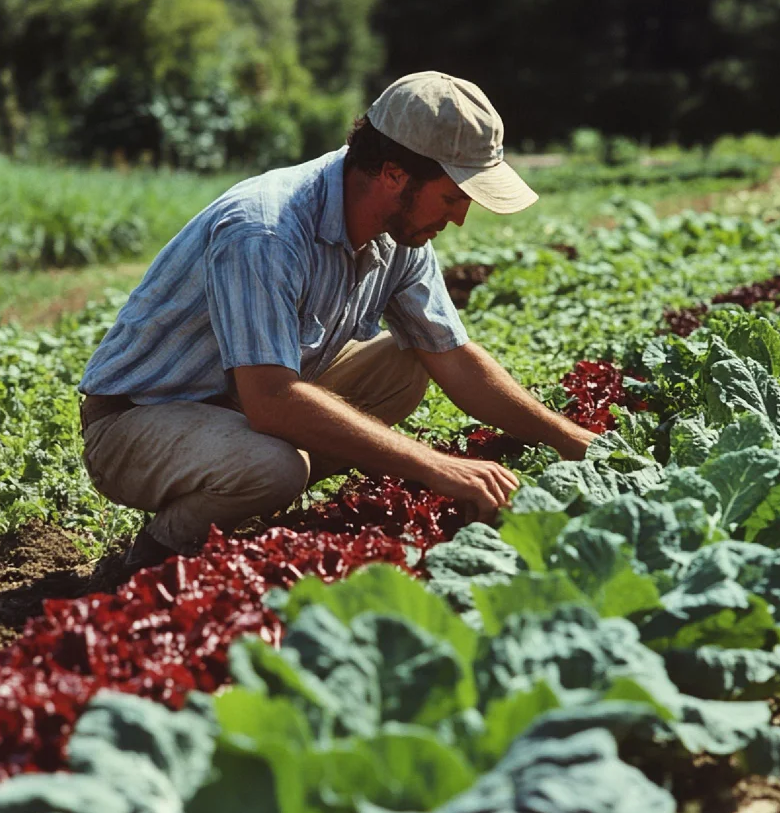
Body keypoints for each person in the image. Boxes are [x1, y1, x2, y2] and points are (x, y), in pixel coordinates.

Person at [79, 71, 597, 575]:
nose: (459, 217)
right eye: (454, 196)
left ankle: (252, 493)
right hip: (136, 421)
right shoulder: (265, 230)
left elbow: (454, 358)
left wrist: (575, 442)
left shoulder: (400, 232)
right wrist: (439, 467)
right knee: (277, 466)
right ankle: (158, 549)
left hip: (244, 405)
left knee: (405, 363)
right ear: (395, 174)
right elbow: (270, 400)